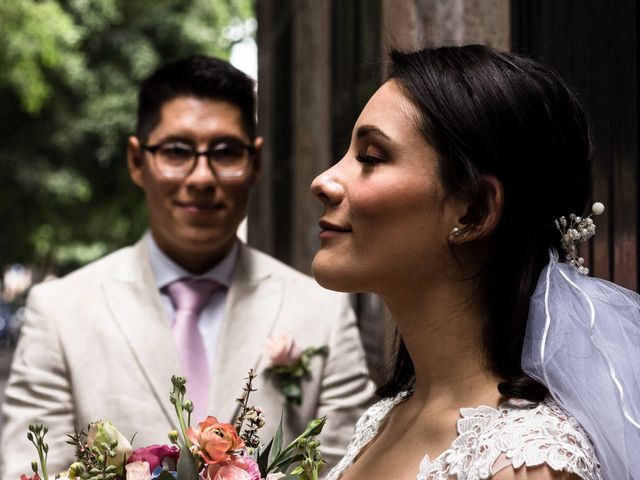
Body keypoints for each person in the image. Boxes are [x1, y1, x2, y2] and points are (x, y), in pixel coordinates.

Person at [0, 56, 375, 479]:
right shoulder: (59, 313)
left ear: (254, 163)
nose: (201, 176)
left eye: (225, 152)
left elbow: (349, 469)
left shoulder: (323, 311)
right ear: (137, 161)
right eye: (177, 151)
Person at [311, 45, 639, 479]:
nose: (324, 181)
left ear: (474, 212)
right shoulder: (385, 418)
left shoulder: (526, 463)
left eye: (371, 157)